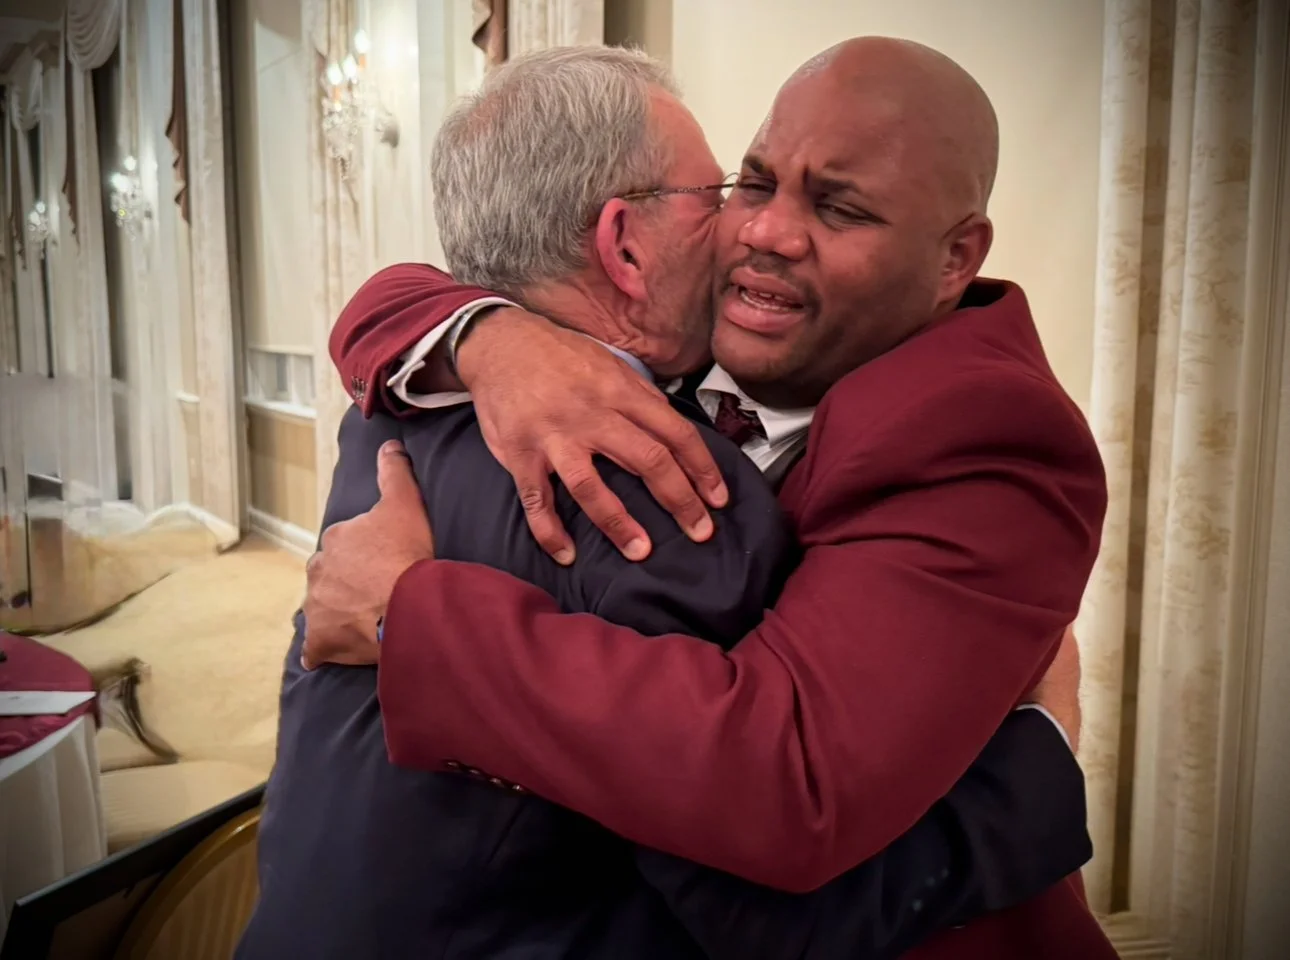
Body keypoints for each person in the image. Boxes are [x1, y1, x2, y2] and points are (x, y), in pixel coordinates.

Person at [241, 46, 1092, 960]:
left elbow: (780, 812)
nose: (762, 232)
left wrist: (401, 617)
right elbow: (769, 898)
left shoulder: (977, 431)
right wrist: (487, 336)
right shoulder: (632, 447)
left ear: (956, 255)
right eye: (745, 185)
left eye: (839, 206)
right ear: (622, 245)